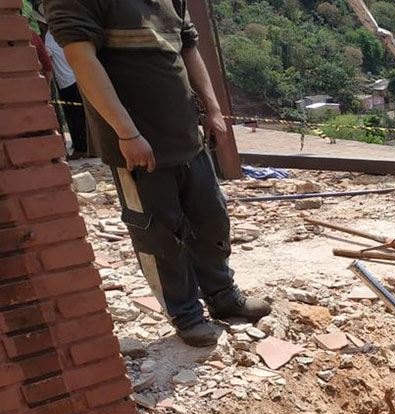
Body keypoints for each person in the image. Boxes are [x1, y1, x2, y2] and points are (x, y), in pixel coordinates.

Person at [46, 0, 269, 347]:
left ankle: (223, 295)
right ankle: (186, 315)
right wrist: (126, 134)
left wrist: (212, 109)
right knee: (158, 233)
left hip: (185, 133)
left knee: (211, 218)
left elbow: (188, 47)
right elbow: (82, 60)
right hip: (137, 145)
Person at [39, 10, 88, 158]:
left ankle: (81, 148)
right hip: (78, 78)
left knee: (74, 117)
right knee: (82, 115)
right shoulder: (67, 32)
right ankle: (86, 148)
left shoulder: (50, 38)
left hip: (67, 82)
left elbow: (47, 58)